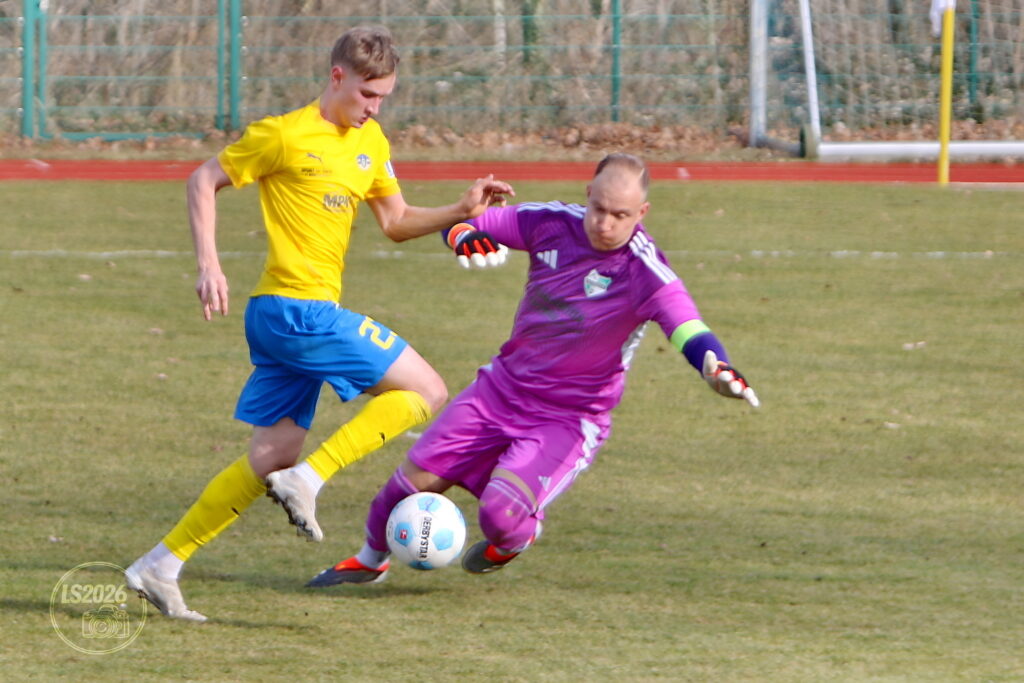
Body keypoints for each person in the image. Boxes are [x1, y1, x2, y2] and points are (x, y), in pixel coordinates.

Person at [125, 25, 514, 621]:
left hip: (288, 320)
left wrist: (460, 210)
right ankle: (310, 479)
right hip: (295, 311)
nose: (374, 107)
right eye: (367, 94)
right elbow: (203, 179)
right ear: (337, 77)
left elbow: (396, 220)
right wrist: (209, 265)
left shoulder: (371, 142)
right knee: (427, 389)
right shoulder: (283, 134)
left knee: (270, 456)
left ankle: (160, 564)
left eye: (383, 97)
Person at [306, 152, 759, 587]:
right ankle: (370, 561)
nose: (604, 223)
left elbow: (688, 327)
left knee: (499, 516)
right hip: (499, 390)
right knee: (409, 483)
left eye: (620, 215)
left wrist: (714, 366)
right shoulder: (551, 222)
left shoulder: (645, 271)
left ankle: (517, 537)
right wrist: (463, 236)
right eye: (598, 208)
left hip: (568, 417)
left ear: (642, 213)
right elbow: (468, 223)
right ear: (588, 194)